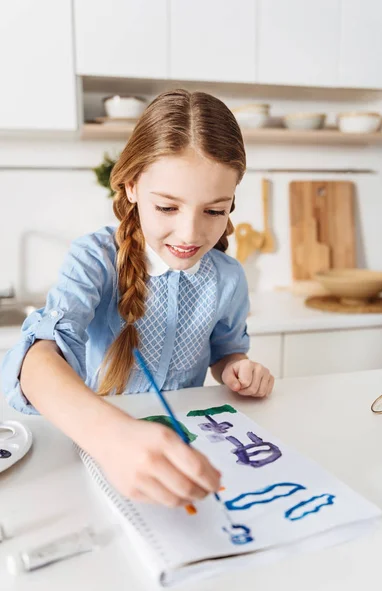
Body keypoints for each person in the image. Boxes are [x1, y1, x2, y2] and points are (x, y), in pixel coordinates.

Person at [1, 89, 275, 508]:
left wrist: (237, 368)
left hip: (182, 445)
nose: (189, 234)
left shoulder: (228, 278)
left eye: (214, 211)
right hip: (92, 449)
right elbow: (38, 360)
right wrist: (113, 438)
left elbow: (226, 352)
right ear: (131, 186)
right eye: (167, 207)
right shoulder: (95, 259)